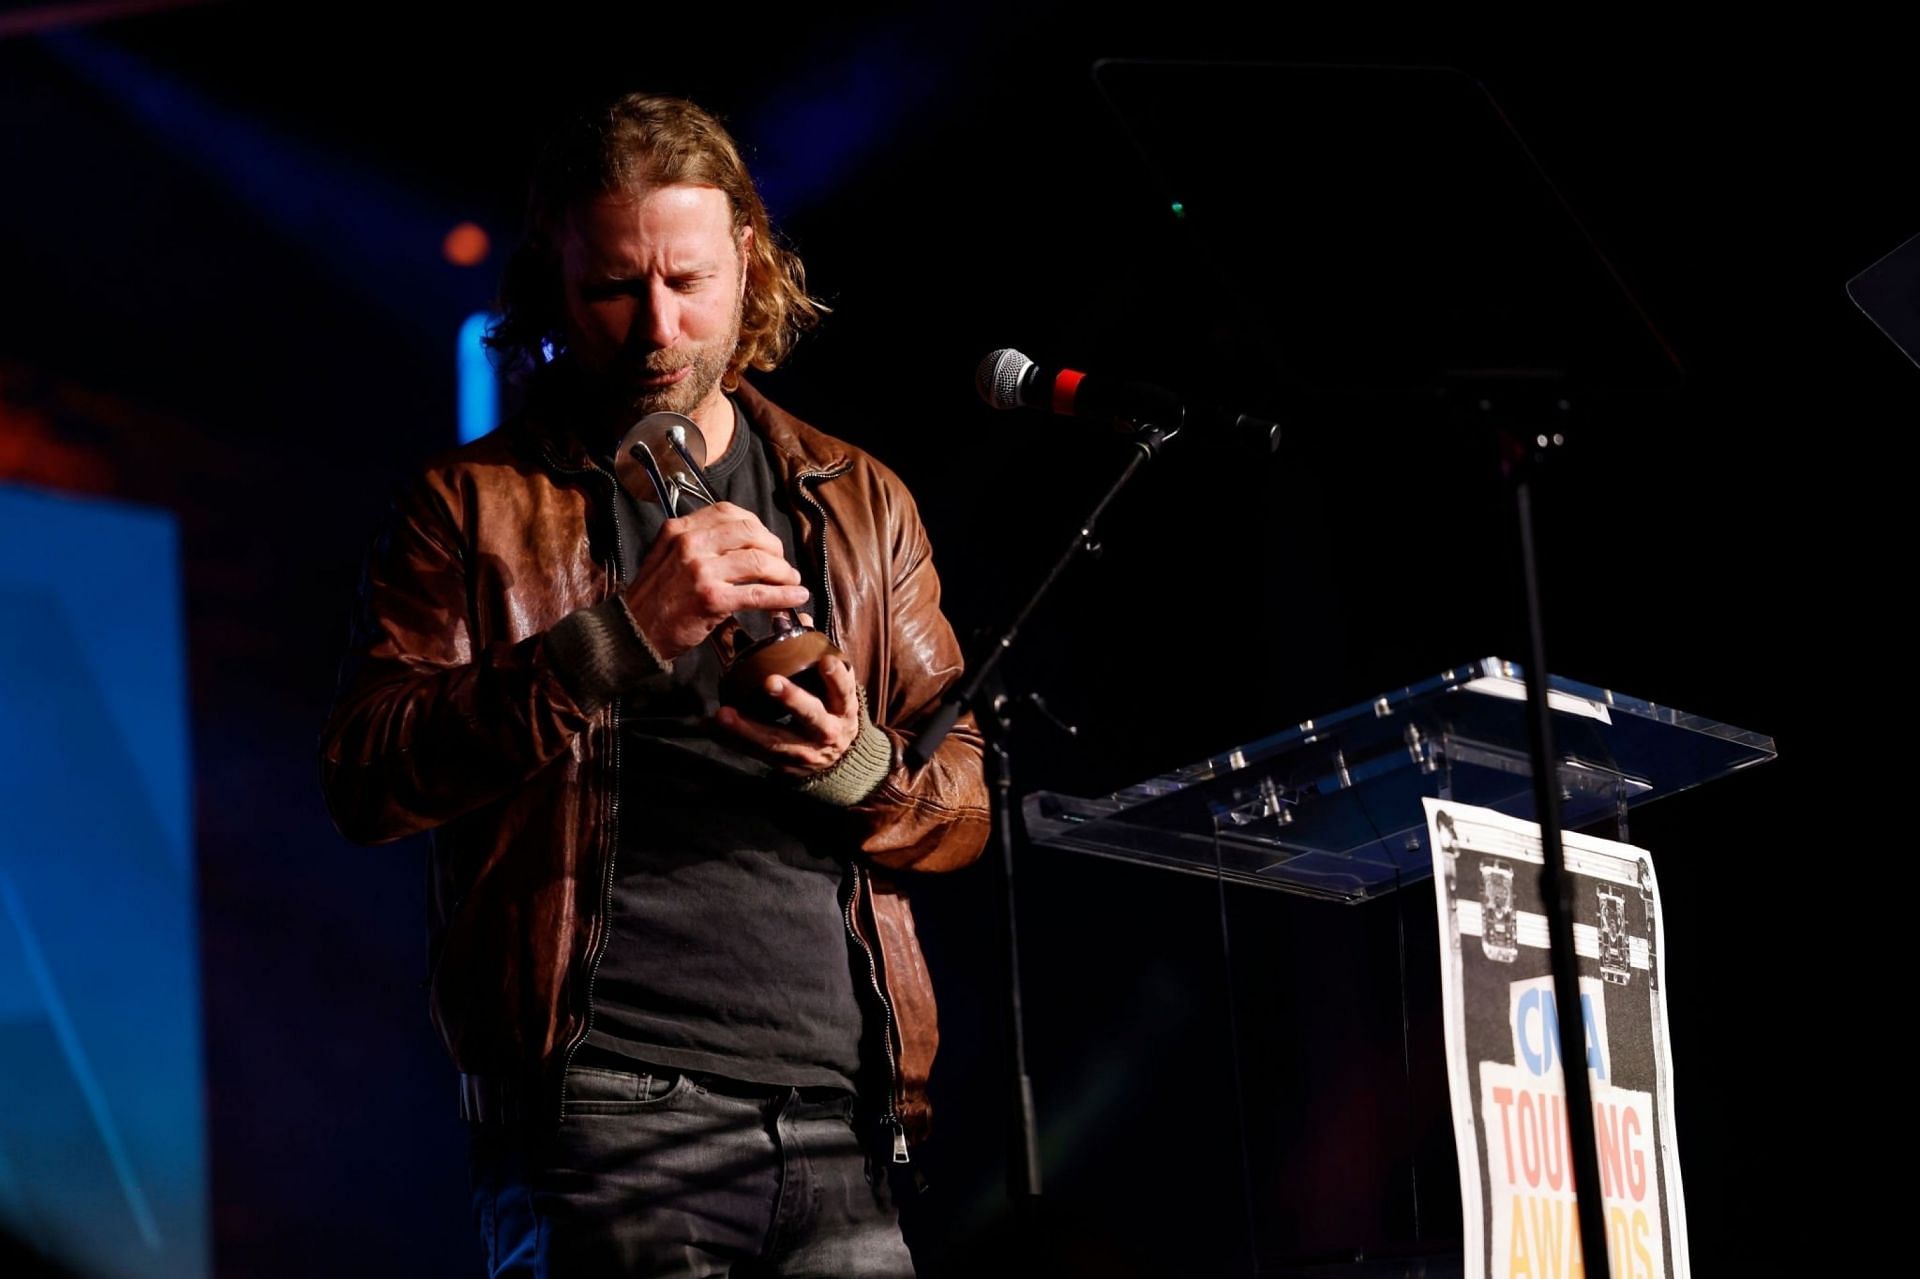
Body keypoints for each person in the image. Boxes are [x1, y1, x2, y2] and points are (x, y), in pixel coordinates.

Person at [319, 92, 988, 1277]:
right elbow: (371, 774)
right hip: (606, 1115)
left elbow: (966, 799)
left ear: (750, 260)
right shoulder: (470, 504)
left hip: (846, 1116)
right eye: (614, 290)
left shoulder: (859, 495)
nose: (656, 328)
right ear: (555, 287)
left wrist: (858, 764)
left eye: (688, 282)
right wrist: (621, 634)